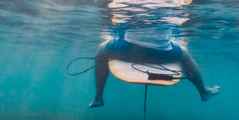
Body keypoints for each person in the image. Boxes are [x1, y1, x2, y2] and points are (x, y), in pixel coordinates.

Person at [89, 29, 220, 108]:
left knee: (101, 50)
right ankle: (203, 92)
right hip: (162, 55)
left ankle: (98, 97)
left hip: (130, 52)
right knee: (184, 54)